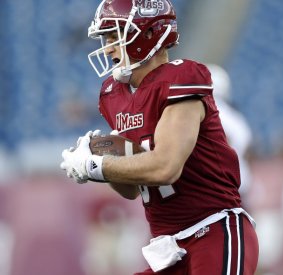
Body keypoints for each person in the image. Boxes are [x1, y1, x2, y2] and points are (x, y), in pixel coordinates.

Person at [59, 0, 259, 274]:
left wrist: (97, 166)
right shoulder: (113, 95)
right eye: (106, 38)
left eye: (116, 35)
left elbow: (166, 168)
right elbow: (131, 189)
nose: (109, 47)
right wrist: (99, 160)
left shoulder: (181, 77)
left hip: (213, 231)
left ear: (149, 33)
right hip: (169, 248)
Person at [206, 64, 254, 203]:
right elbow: (247, 149)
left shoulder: (205, 113)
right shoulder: (238, 119)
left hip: (216, 188)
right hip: (240, 185)